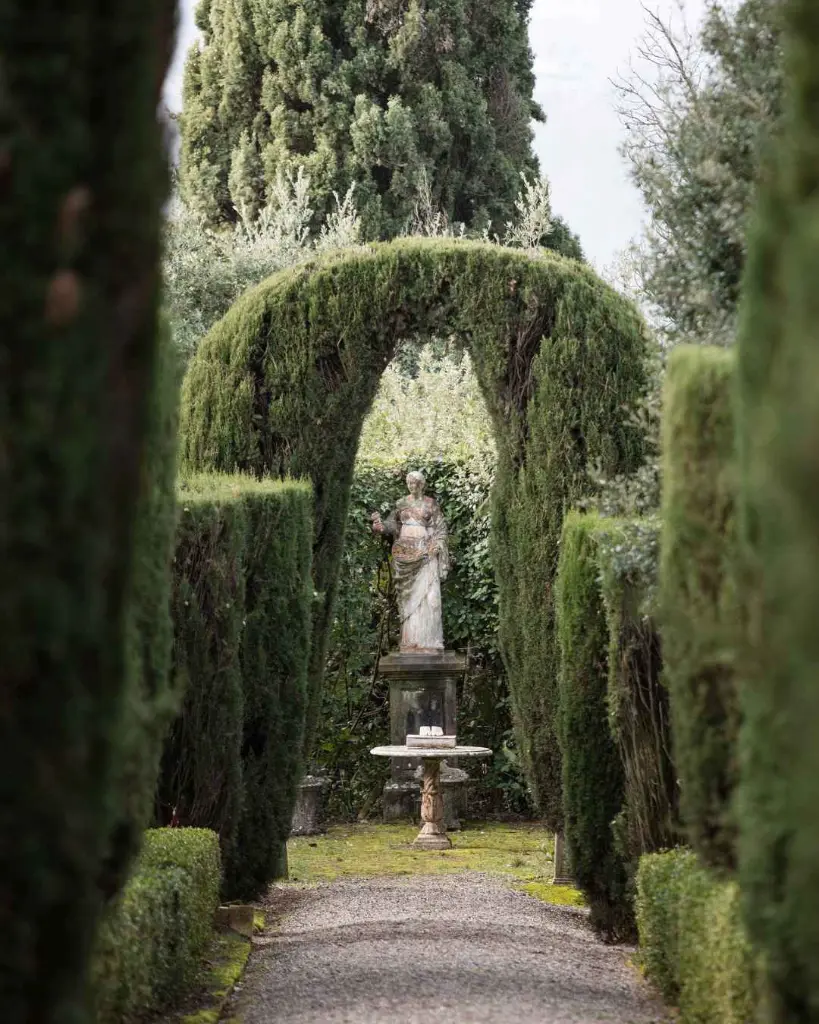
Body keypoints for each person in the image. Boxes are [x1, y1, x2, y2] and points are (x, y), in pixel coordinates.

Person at [372, 471, 450, 651]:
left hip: (426, 555)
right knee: (408, 600)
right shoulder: (401, 503)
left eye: (415, 483)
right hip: (405, 556)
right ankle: (410, 641)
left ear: (422, 484)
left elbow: (441, 528)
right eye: (409, 483)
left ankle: (430, 641)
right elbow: (392, 526)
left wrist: (437, 545)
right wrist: (380, 527)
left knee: (431, 599)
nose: (411, 486)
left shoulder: (431, 504)